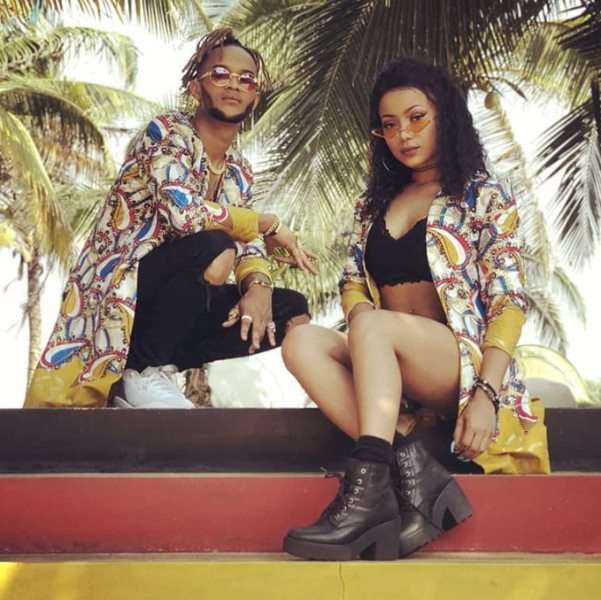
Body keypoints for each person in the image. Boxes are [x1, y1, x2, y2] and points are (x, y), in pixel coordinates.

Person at [281, 58, 550, 561]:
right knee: (302, 341)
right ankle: (410, 459)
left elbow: (509, 300)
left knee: (373, 327)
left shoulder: (483, 194)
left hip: (460, 369)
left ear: (445, 114)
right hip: (396, 379)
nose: (402, 134)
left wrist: (486, 395)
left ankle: (367, 497)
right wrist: (362, 324)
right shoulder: (373, 206)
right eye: (388, 125)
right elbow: (353, 283)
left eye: (416, 117)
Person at [25, 28, 317, 409]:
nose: (234, 84)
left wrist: (258, 287)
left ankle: (160, 370)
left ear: (254, 97)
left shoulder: (239, 171)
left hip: (179, 306)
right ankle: (141, 373)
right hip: (127, 293)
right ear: (196, 88)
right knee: (216, 248)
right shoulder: (167, 133)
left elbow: (249, 245)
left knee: (291, 307)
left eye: (246, 79)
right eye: (220, 74)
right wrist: (266, 222)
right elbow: (184, 215)